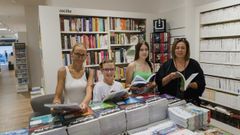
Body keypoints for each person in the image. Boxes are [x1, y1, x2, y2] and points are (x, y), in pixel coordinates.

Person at [155, 38, 206, 106]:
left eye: (183, 48)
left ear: (187, 50)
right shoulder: (167, 65)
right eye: (177, 48)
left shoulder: (194, 64)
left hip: (190, 103)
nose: (180, 50)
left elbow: (201, 83)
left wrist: (190, 85)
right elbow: (159, 83)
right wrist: (169, 77)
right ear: (174, 50)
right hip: (170, 103)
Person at [53, 43, 94, 112]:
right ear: (72, 54)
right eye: (77, 54)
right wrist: (56, 104)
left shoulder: (89, 72)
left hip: (85, 109)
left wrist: (84, 103)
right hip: (68, 111)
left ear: (86, 56)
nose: (80, 57)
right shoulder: (63, 71)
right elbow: (57, 97)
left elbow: (89, 91)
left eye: (83, 55)